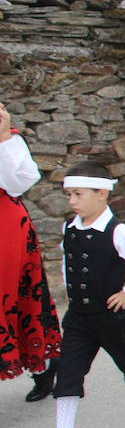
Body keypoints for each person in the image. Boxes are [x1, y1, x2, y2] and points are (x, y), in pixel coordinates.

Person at [27, 161, 125, 428]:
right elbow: (68, 265)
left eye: (78, 194)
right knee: (68, 370)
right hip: (79, 317)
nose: (71, 201)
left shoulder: (118, 232)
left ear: (102, 194)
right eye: (69, 195)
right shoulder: (69, 227)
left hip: (111, 316)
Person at [0, 102, 61, 400]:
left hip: (5, 229)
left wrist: (2, 137)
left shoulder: (9, 140)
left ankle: (43, 364)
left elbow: (19, 183)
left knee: (15, 298)